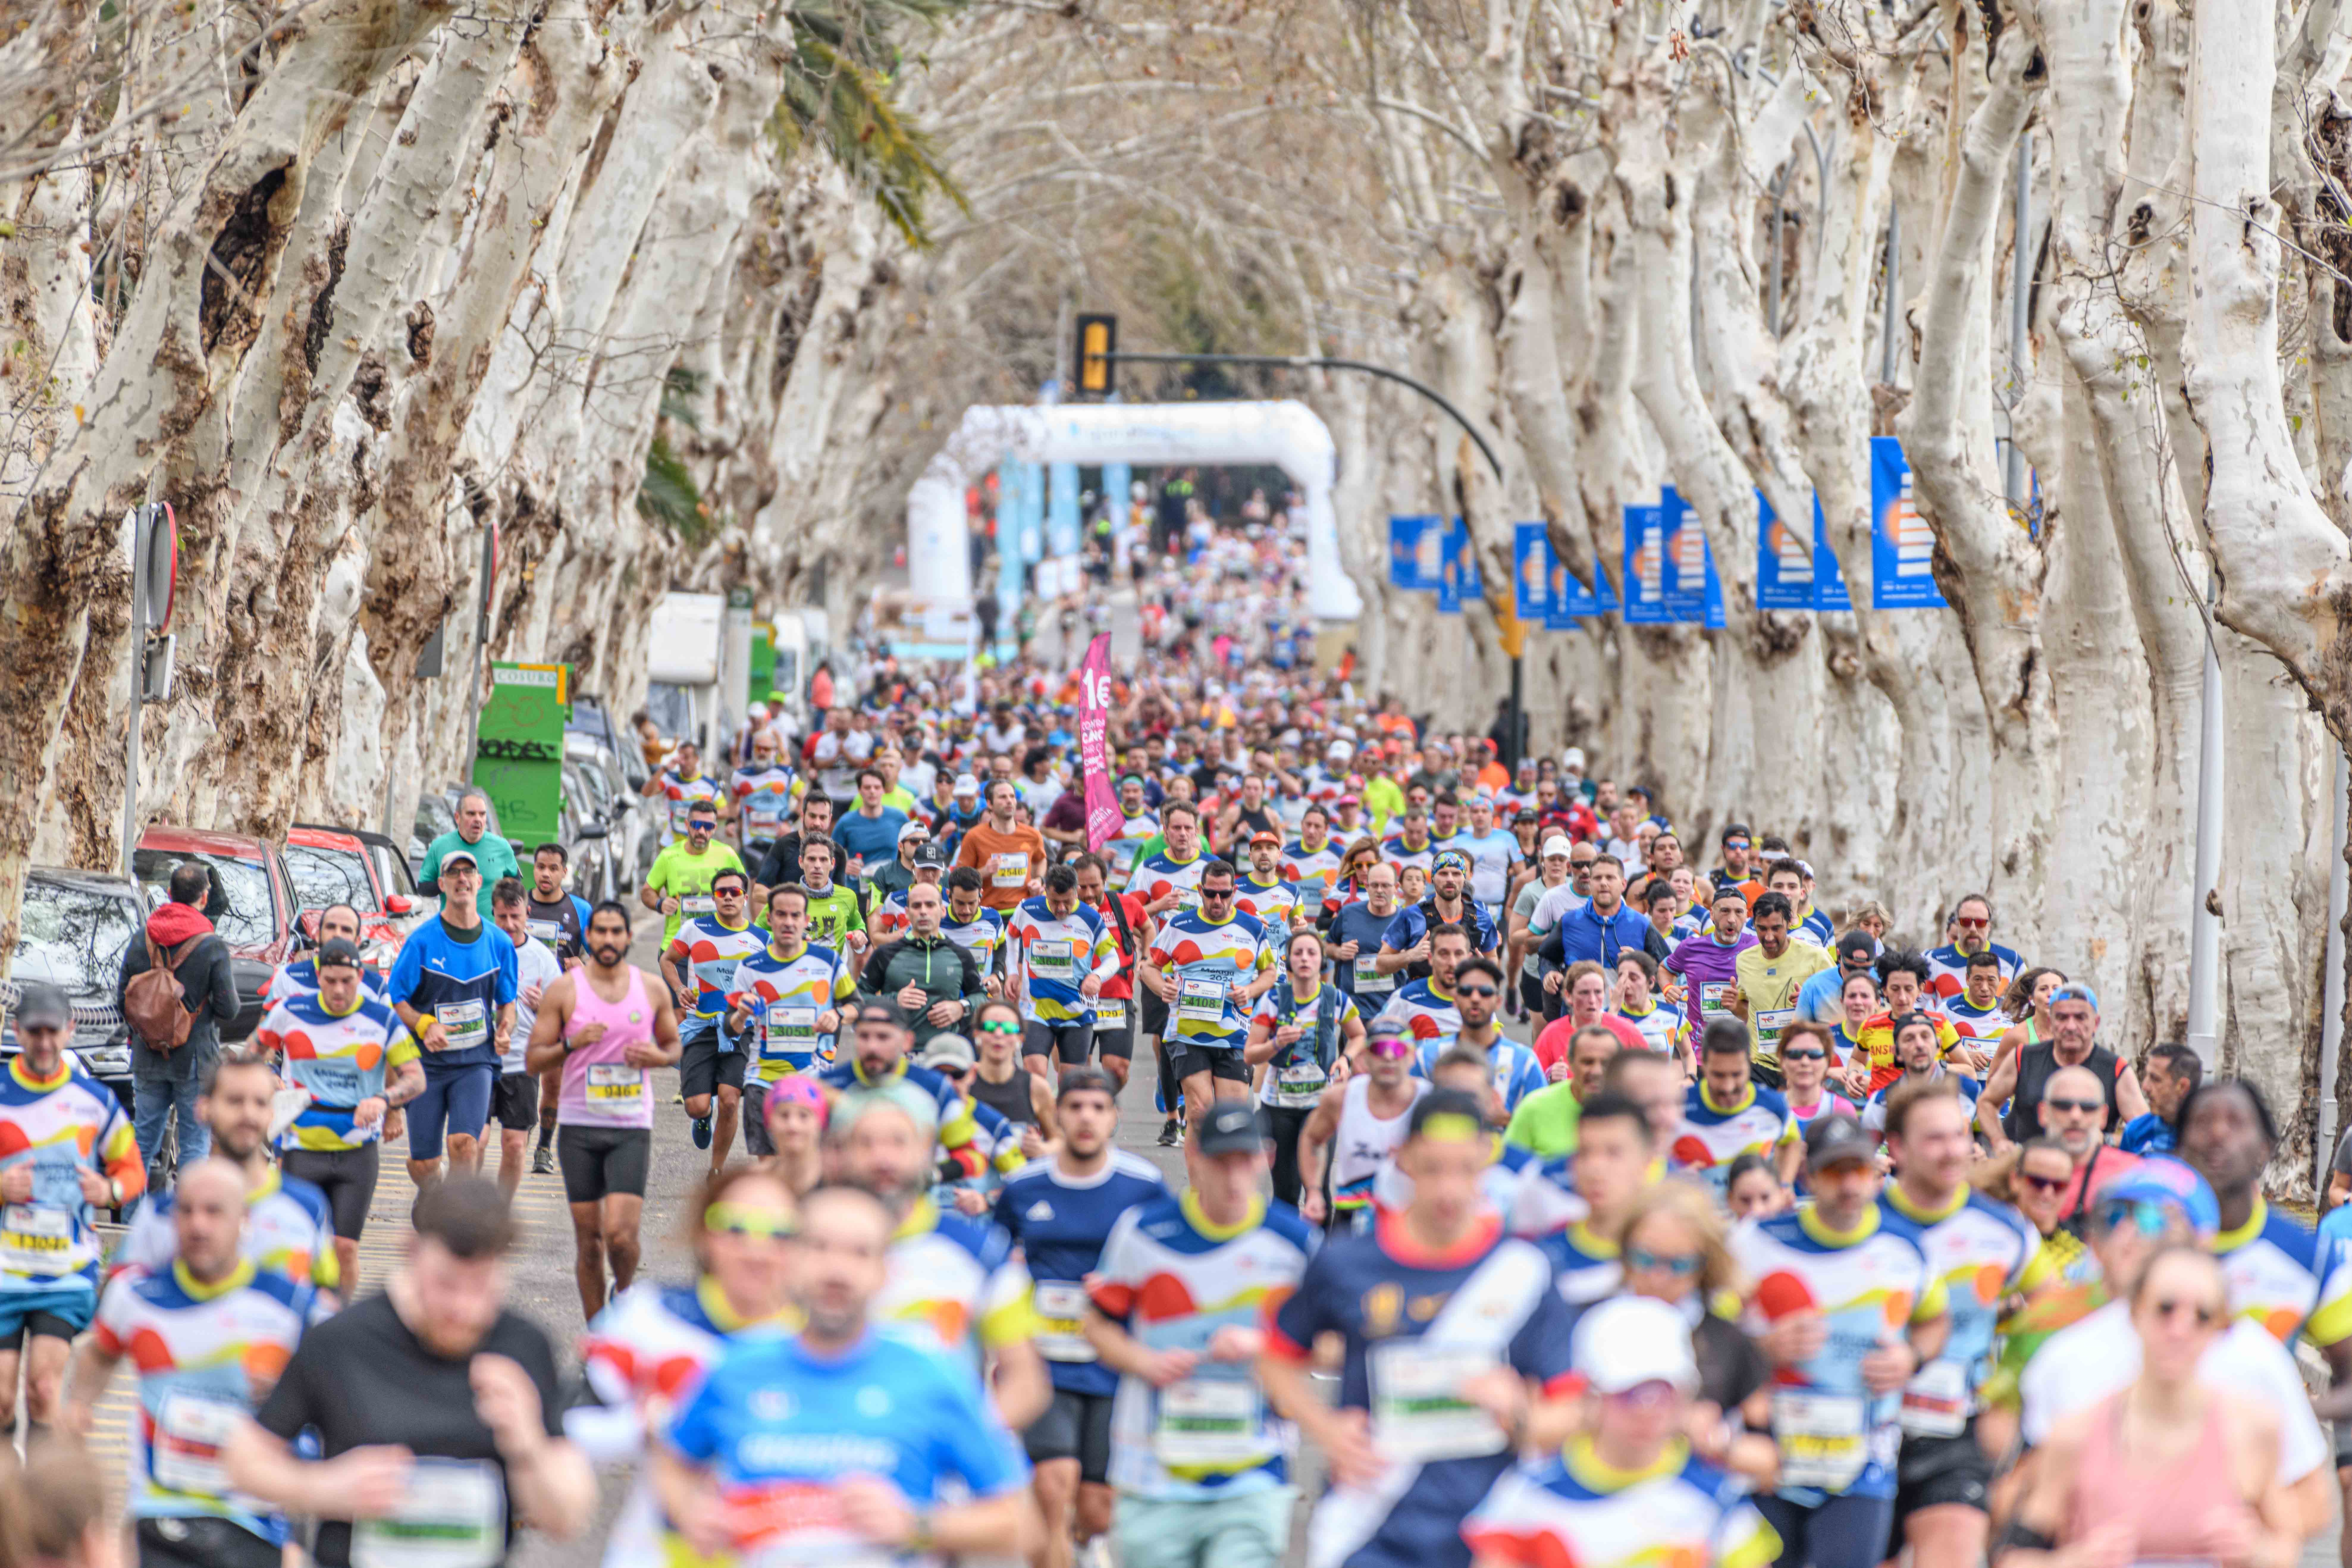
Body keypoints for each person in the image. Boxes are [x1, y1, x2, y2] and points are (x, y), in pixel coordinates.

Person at [1260, 1089, 1583, 1568]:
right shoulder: (1346, 1263)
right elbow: (1274, 1356)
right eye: (1433, 1169)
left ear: (1488, 1161)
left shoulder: (1528, 1270)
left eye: (1465, 1170)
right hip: (1367, 1531)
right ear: (1404, 1159)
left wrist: (1519, 1417)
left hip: (1488, 1535)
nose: (1449, 1190)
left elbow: (1571, 1412)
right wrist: (1326, 1431)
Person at [650, 1185, 1035, 1563]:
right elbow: (673, 1464)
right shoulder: (736, 1367)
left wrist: (916, 1526)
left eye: (860, 1253)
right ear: (792, 1260)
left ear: (886, 1272)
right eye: (819, 1247)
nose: (837, 1270)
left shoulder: (933, 1374)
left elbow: (1021, 1522)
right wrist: (691, 1516)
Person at [224, 1178, 595, 1568]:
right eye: (447, 1284)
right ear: (412, 1252)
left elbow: (567, 1519)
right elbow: (243, 1460)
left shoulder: (523, 1346)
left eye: (482, 1286)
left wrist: (528, 1444)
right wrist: (321, 1489)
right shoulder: (341, 1341)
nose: (464, 1308)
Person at [2011, 1158, 2334, 1539]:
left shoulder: (2255, 1357)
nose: (2133, 1232)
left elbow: (2316, 1502)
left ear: (2204, 1239)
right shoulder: (2063, 1356)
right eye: (2116, 1217)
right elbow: (2017, 1511)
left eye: (2157, 1218)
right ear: (2096, 1243)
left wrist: (2251, 1537)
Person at [1084, 1100, 1317, 1568]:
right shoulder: (1144, 1233)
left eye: (1245, 1161)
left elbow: (1332, 1345)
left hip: (1254, 1467)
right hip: (1154, 1472)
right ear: (1194, 1155)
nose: (1234, 1178)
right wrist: (1143, 1362)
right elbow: (1095, 1325)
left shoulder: (1295, 1243)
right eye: (1220, 1162)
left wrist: (1263, 1346)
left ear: (1267, 1157)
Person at [62, 1158, 326, 1568]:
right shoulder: (135, 1295)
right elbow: (99, 1354)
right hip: (159, 1514)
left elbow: (332, 1406)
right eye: (186, 1210)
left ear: (245, 1219)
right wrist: (76, 1410)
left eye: (214, 1211)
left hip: (253, 1522)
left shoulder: (290, 1306)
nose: (198, 1225)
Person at [1732, 1112, 1950, 1568]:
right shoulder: (1757, 1242)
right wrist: (1760, 1350)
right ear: (1810, 1176)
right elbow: (1710, 1335)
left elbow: (1935, 1321)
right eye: (1835, 1172)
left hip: (1863, 1462)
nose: (1849, 1185)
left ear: (1875, 1175)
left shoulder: (1904, 1248)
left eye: (1859, 1170)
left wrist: (1911, 1358)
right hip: (1771, 1455)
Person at [2001, 1244, 2301, 1568]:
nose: (2180, 1330)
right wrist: (2072, 1562)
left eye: (2202, 1316)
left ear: (2219, 1328)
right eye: (2166, 1309)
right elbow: (2012, 1558)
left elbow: (2288, 1547)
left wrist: (2258, 1552)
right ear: (2135, 1312)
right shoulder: (2077, 1434)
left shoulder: (2253, 1428)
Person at [994, 1068, 1170, 1568]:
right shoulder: (1024, 1187)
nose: (1086, 1117)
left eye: (1098, 1107)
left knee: (1097, 1509)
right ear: (1059, 1115)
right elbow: (994, 1264)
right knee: (1053, 1486)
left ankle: (1085, 1538)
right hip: (1043, 1361)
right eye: (1075, 1107)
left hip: (1112, 1362)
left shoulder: (1143, 1186)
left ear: (1114, 1117)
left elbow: (1168, 1265)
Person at [1879, 1080, 2045, 1568]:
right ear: (1896, 1146)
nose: (1952, 1150)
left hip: (1957, 1428)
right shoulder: (1864, 1221)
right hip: (1868, 1429)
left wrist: (2007, 1391)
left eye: (1958, 1135)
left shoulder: (2002, 1228)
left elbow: (2053, 1309)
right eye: (1934, 1138)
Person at [836, 1094, 1050, 1427]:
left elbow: (1027, 1381)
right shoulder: (802, 1242)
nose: (882, 1157)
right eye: (866, 1143)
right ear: (842, 1154)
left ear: (925, 1153)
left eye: (898, 1142)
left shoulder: (980, 1252)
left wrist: (970, 1444)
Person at [0, 981, 148, 1447]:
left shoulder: (95, 1101)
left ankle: (38, 1509)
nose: (44, 1043)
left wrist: (110, 1188)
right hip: (5, 1269)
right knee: (2, 1399)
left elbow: (133, 1170)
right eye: (34, 1032)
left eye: (53, 1032)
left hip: (64, 1270)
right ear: (17, 1031)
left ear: (71, 1029)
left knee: (44, 1390)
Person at [523, 901, 683, 1320]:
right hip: (579, 1128)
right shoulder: (565, 990)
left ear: (629, 937)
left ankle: (625, 1297)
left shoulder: (650, 988)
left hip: (631, 1125)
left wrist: (659, 1058)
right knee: (590, 1242)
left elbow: (674, 1046)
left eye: (617, 932)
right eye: (601, 932)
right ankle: (599, 1335)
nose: (609, 940)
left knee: (622, 1238)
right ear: (589, 938)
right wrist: (572, 1045)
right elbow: (534, 1060)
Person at [261, 940, 423, 1296]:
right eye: (330, 980)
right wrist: (267, 1075)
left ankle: (337, 1322)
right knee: (301, 1246)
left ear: (360, 977)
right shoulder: (291, 1011)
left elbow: (415, 1078)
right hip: (302, 1149)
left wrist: (384, 1100)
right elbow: (253, 1052)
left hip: (356, 1152)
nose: (338, 990)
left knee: (345, 1248)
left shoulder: (382, 1019)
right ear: (318, 977)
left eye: (347, 981)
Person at [112, 1053, 341, 1293]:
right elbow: (121, 1301)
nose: (248, 1115)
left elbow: (326, 1303)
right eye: (235, 1101)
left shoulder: (307, 1207)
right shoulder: (160, 1215)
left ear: (272, 1113)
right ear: (204, 1109)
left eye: (260, 1103)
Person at [387, 845, 518, 1191]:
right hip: (427, 1065)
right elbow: (396, 999)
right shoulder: (422, 942)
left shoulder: (500, 943)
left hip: (475, 1062)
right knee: (424, 1163)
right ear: (442, 885)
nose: (462, 879)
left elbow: (508, 1004)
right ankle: (433, 1193)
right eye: (453, 874)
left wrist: (505, 1028)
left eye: (467, 873)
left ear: (479, 881)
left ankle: (456, 1219)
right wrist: (423, 1024)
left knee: (465, 1144)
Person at [119, 861, 240, 1180]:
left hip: (148, 1056)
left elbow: (123, 1000)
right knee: (195, 1145)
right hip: (197, 1062)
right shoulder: (212, 946)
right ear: (204, 898)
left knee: (142, 1142)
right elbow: (230, 1009)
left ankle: (132, 1219)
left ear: (169, 894)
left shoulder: (141, 938)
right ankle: (185, 1224)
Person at [1141, 858, 1276, 1125]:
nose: (1218, 900)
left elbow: (1270, 972)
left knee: (1231, 1120)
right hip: (1188, 1033)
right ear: (1200, 891)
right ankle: (1201, 1169)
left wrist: (1249, 991)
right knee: (1200, 1114)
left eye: (1225, 894)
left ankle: (1224, 1168)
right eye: (1211, 893)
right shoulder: (1179, 926)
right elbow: (1149, 968)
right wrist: (1162, 989)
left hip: (1235, 1034)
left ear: (1234, 892)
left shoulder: (1252, 928)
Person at [724, 882, 855, 1155]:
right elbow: (730, 1029)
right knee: (770, 1168)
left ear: (806, 921)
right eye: (781, 915)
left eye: (796, 916)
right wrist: (741, 1014)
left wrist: (837, 1014)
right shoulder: (750, 967)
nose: (788, 922)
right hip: (763, 1080)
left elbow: (856, 1006)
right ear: (769, 918)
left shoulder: (828, 961)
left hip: (813, 1079)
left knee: (809, 1166)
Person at [1246, 929, 1365, 1206]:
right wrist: (1276, 1044)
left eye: (1312, 953)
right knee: (1286, 1192)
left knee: (1319, 1190)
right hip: (1279, 1107)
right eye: (1298, 953)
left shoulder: (1336, 999)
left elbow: (1359, 1036)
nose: (1304, 959)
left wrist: (1345, 1060)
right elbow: (1250, 1055)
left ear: (1322, 960)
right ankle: (1286, 1248)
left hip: (1321, 1106)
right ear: (1288, 961)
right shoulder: (1273, 1001)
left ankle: (1321, 1249)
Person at [661, 863, 764, 1164]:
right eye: (722, 892)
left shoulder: (761, 939)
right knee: (696, 1105)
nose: (729, 897)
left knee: (731, 1102)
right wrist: (680, 988)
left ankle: (716, 1170)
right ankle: (703, 1118)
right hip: (702, 1026)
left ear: (745, 897)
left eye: (736, 892)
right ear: (714, 897)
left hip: (742, 1028)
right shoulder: (695, 929)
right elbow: (669, 959)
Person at [1979, 981, 2144, 1150]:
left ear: (2095, 1023)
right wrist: (1999, 1141)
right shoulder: (2024, 1058)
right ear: (2051, 1022)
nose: (2071, 1027)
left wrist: (2107, 1141)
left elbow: (2145, 1130)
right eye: (2062, 1018)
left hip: (2091, 1171)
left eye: (2080, 1018)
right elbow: (1987, 1103)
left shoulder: (2116, 1069)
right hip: (2030, 1169)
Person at [1299, 1020, 1428, 1227]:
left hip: (1410, 1219)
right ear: (1365, 1057)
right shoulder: (1341, 1098)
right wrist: (1314, 1191)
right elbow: (1312, 1138)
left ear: (1412, 1056)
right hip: (1353, 1215)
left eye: (1397, 1049)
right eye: (1379, 1049)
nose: (1388, 1057)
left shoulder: (1430, 1101)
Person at [1532, 1088, 1655, 1303]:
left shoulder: (1670, 1257)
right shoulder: (1542, 1259)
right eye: (1585, 1152)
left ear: (1647, 1163)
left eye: (1613, 1153)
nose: (1595, 1168)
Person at [487, 877, 563, 1199]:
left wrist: (541, 1004)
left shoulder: (542, 957)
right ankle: (464, 1209)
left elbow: (563, 1011)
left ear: (527, 914)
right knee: (472, 1141)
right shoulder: (481, 947)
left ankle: (499, 1212)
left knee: (515, 1145)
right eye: (502, 917)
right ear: (492, 914)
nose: (509, 924)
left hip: (522, 1062)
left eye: (516, 916)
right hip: (481, 1059)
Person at [1005, 864, 1118, 1077]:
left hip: (1077, 1011)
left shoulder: (1091, 918)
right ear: (1045, 891)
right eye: (1054, 902)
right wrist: (1012, 971)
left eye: (1067, 902)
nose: (1061, 909)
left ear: (1076, 892)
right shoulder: (1027, 910)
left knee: (1070, 1081)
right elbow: (1010, 935)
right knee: (1034, 1073)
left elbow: (1112, 960)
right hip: (1036, 1010)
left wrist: (1097, 977)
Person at [1673, 1019, 1800, 1195]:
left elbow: (1793, 1143)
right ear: (1706, 1066)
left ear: (1750, 1064)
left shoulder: (1774, 1106)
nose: (1728, 1087)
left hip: (1754, 1218)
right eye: (1718, 1075)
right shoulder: (1677, 1106)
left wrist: (1784, 1185)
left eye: (1737, 1074)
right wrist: (1671, 1176)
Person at [1726, 890, 1833, 1086]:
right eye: (1762, 929)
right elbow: (1749, 1012)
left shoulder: (1816, 957)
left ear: (1790, 922)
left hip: (1803, 1063)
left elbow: (1841, 1010)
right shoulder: (1744, 960)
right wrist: (1735, 1007)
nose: (1768, 937)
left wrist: (1811, 1003)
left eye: (1777, 929)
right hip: (1759, 1064)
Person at [1419, 955, 1545, 1114]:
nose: (1475, 998)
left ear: (1498, 1002)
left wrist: (1505, 1121)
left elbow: (1540, 1124)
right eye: (1466, 991)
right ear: (1455, 1000)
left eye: (1485, 992)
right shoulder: (1427, 1057)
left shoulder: (1526, 1062)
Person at [1074, 852, 1148, 1094]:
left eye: (1094, 886)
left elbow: (1147, 927)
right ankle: (1090, 1115)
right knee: (1078, 1071)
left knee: (1118, 1069)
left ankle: (1105, 1103)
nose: (1087, 893)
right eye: (1082, 887)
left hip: (1117, 996)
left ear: (1106, 882)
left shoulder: (1125, 904)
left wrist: (1146, 959)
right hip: (1077, 998)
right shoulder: (1066, 908)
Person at [640, 796, 749, 949]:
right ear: (687, 825)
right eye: (696, 825)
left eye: (708, 827)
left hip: (719, 944)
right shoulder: (668, 856)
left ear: (715, 828)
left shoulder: (727, 855)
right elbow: (647, 892)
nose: (702, 832)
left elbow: (743, 892)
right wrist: (660, 904)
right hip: (678, 946)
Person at [1503, 1022, 1622, 1160]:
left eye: (1606, 1063)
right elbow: (1506, 1171)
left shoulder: (1634, 1111)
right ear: (1571, 1063)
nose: (1596, 1071)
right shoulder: (1535, 1107)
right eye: (1588, 1062)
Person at [1661, 883, 1757, 1043]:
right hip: (1700, 1048)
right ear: (1712, 914)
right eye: (1725, 911)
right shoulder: (1692, 947)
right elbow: (1665, 968)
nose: (1732, 919)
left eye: (1739, 912)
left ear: (1747, 917)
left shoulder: (1756, 948)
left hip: (1741, 1048)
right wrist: (1668, 988)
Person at [418, 789, 523, 914]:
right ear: (458, 818)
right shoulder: (439, 846)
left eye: (482, 814)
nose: (478, 819)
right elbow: (423, 888)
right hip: (452, 929)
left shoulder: (502, 847)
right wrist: (448, 883)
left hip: (490, 929)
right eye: (471, 814)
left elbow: (516, 889)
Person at [957, 776, 1049, 913]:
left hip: (1024, 912)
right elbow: (959, 879)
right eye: (1003, 797)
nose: (1009, 801)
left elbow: (1041, 859)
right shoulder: (974, 837)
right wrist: (984, 872)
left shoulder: (1033, 835)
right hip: (988, 912)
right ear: (990, 804)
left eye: (1012, 797)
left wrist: (1039, 880)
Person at [727, 725, 798, 861]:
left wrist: (788, 823)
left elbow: (804, 800)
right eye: (758, 748)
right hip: (752, 841)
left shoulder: (786, 774)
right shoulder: (740, 776)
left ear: (774, 752)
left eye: (766, 749)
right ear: (752, 749)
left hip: (779, 841)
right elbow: (734, 803)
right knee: (756, 881)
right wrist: (731, 822)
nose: (762, 752)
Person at [2122, 1039, 2203, 1155]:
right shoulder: (2135, 1131)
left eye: (2155, 1079)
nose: (2145, 1086)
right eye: (2147, 1076)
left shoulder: (2209, 1138)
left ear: (2183, 1087)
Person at [836, 765, 914, 875]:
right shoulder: (846, 822)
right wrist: (844, 865)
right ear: (860, 791)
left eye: (877, 788)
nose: (872, 792)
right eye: (867, 788)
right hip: (859, 888)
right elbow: (830, 856)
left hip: (891, 887)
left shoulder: (899, 818)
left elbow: (915, 849)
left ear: (884, 790)